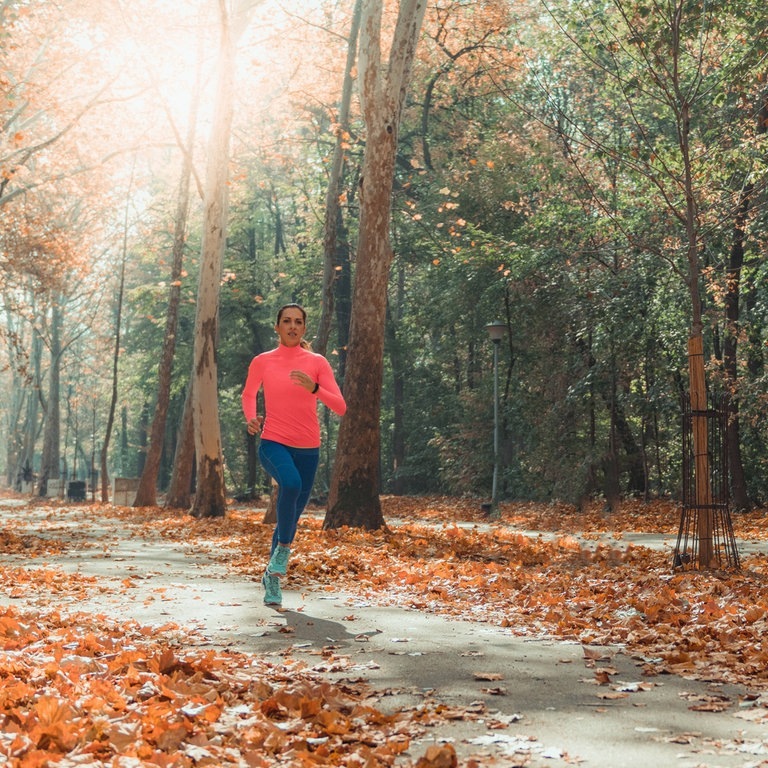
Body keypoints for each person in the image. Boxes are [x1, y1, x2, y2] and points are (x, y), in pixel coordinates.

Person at [241, 303, 346, 606]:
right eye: (286, 321)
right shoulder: (263, 361)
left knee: (290, 517)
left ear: (304, 328)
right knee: (290, 485)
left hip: (308, 449)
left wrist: (315, 388)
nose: (292, 326)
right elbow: (249, 393)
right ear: (277, 327)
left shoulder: (316, 362)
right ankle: (284, 551)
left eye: (298, 322)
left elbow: (340, 407)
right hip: (273, 442)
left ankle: (272, 578)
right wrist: (251, 417)